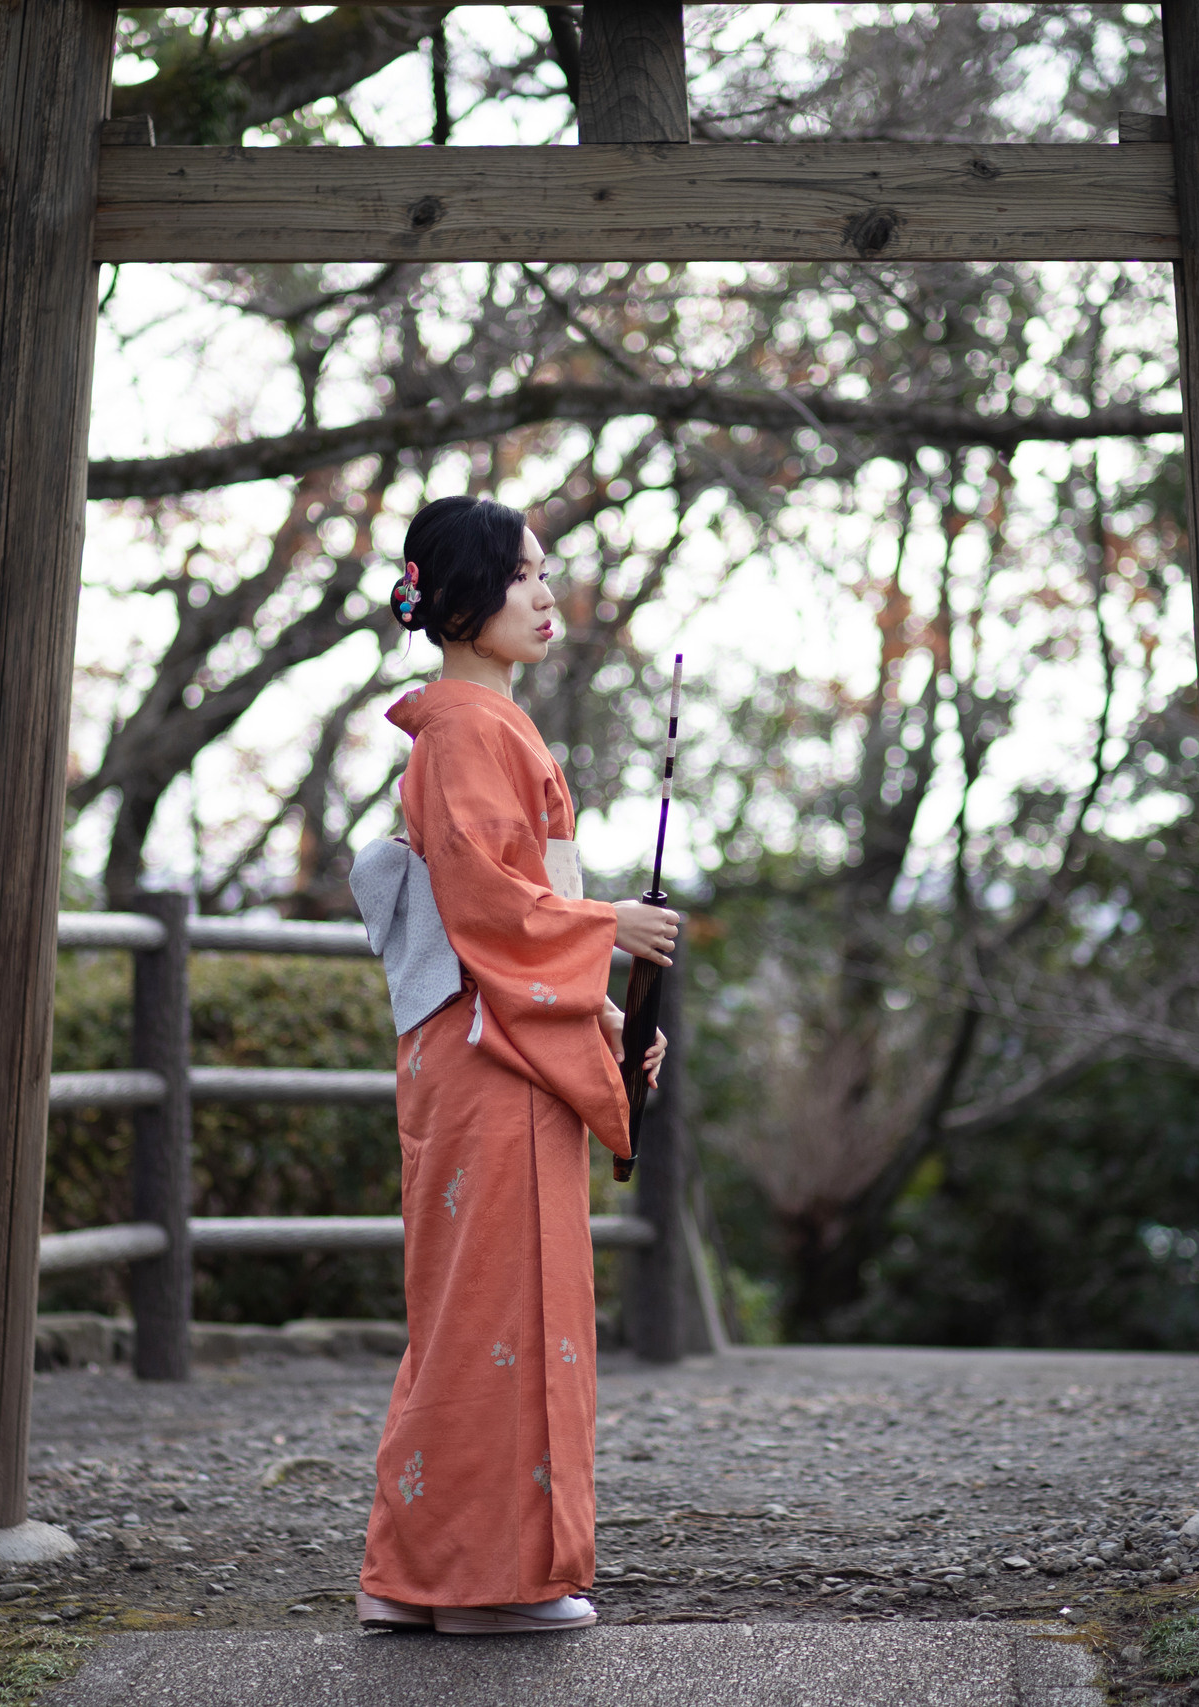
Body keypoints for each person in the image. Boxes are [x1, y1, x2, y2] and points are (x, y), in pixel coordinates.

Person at [346, 495, 680, 1636]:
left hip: (484, 1036)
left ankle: (416, 1573)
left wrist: (607, 1019)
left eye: (544, 573)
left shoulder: (473, 727)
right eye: (523, 575)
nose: (545, 596)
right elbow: (488, 902)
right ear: (458, 596)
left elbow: (500, 910)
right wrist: (608, 927)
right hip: (493, 1055)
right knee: (505, 1305)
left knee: (464, 1308)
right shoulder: (471, 730)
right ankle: (487, 1583)